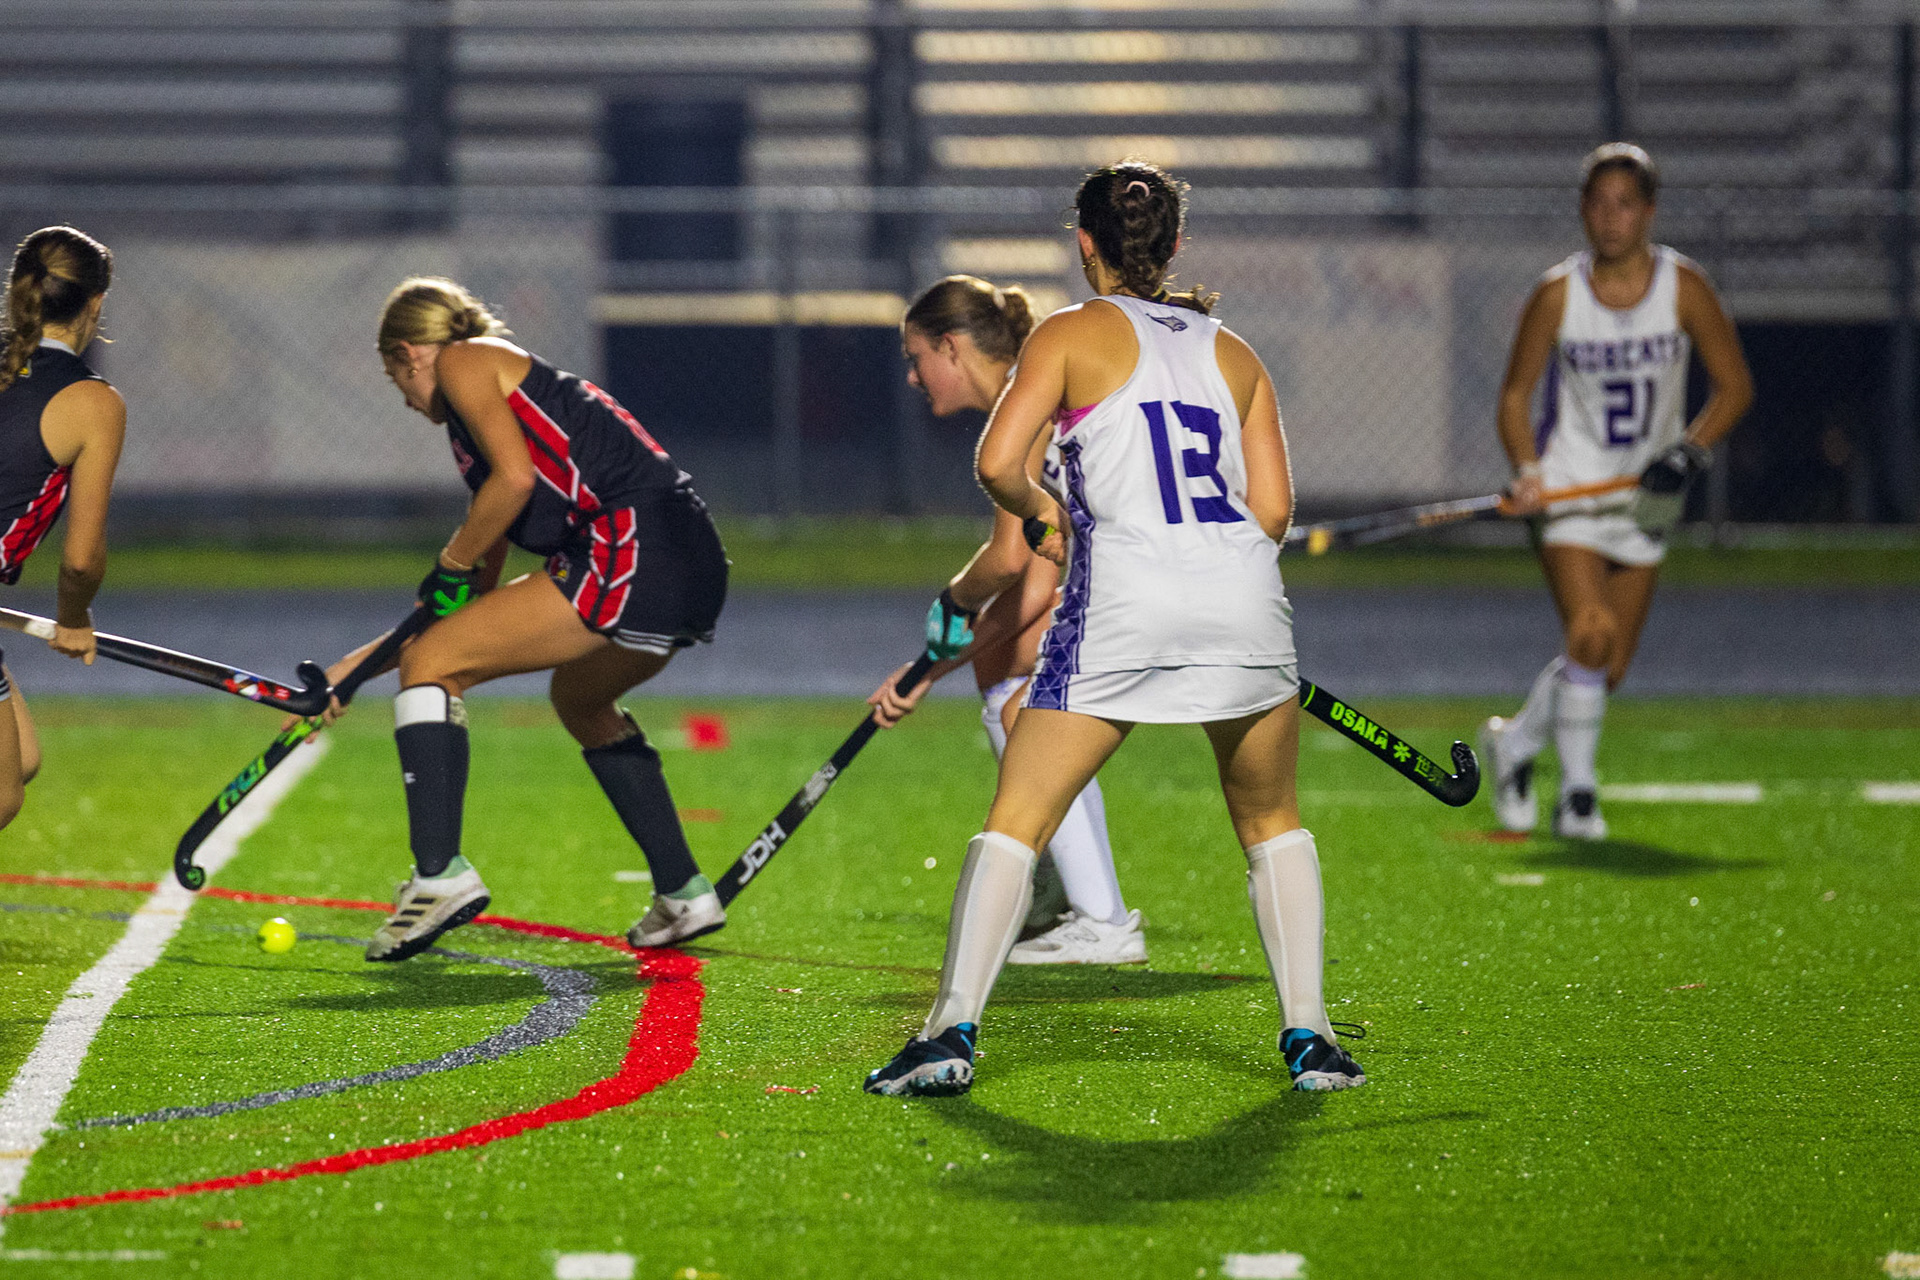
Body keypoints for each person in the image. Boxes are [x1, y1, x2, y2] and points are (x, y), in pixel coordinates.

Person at [864, 161, 1364, 1098]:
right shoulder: (1236, 354)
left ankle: (947, 1036)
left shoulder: (1066, 332)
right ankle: (1312, 1038)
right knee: (1270, 822)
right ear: (1173, 245)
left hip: (1125, 603)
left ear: (1085, 243)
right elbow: (1272, 514)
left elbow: (998, 464)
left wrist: (1048, 515)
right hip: (1244, 601)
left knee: (1017, 819)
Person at [314, 277, 729, 961]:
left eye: (396, 381)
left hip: (631, 544)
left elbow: (514, 483)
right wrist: (351, 673)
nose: (407, 400)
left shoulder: (464, 360)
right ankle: (683, 892)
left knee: (433, 665)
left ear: (409, 354)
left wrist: (449, 560)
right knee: (579, 699)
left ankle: (438, 876)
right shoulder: (486, 413)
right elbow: (464, 607)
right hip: (685, 557)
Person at [866, 274, 1146, 966]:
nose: (912, 377)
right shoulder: (1033, 392)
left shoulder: (1025, 402)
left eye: (916, 357)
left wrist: (951, 609)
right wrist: (936, 666)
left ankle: (1104, 921)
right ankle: (1057, 895)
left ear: (951, 347)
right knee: (1004, 671)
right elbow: (1035, 581)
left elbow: (1008, 560)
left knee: (1029, 710)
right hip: (1119, 574)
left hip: (1142, 582)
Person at [1479, 144, 1752, 840]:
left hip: (1647, 497)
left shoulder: (1683, 288)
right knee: (1591, 633)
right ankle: (1578, 796)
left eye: (1625, 204)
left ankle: (1514, 743)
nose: (1610, 218)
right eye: (1598, 204)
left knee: (1607, 666)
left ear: (1649, 211)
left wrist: (1687, 452)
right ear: (1582, 211)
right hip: (1571, 487)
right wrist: (1529, 470)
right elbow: (1514, 397)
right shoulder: (1557, 294)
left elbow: (1734, 387)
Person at [0, 227, 125, 829]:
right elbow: (80, 560)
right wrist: (74, 619)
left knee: (20, 756)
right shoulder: (93, 403)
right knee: (1, 796)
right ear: (95, 303)